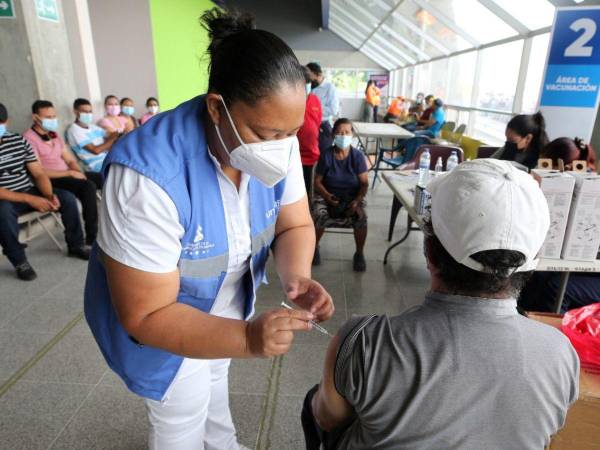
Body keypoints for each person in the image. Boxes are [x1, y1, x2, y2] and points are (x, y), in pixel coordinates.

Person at [84, 8, 334, 450]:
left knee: (214, 385)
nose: (281, 150)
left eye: (290, 133)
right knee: (181, 416)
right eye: (266, 133)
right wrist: (247, 337)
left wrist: (297, 275)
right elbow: (146, 315)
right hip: (166, 322)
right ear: (218, 108)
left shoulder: (275, 139)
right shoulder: (147, 175)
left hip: (227, 305)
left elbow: (294, 221)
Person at [302, 159, 579, 449]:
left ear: (429, 251)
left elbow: (326, 419)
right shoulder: (561, 353)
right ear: (531, 262)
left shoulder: (365, 341)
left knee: (318, 397)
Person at [0, 103, 90, 281]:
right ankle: (19, 261)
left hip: (28, 188)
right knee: (2, 212)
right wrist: (30, 199)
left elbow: (38, 173)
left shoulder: (18, 141)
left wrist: (48, 195)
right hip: (6, 197)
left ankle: (76, 245)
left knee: (66, 197)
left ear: (6, 122)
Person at [23, 100, 102, 246]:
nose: (53, 120)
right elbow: (39, 171)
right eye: (48, 117)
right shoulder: (28, 139)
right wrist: (71, 174)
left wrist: (77, 172)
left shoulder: (54, 135)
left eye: (54, 116)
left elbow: (70, 160)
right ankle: (93, 235)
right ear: (35, 118)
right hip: (51, 178)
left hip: (68, 174)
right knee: (88, 187)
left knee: (101, 178)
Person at [312, 118, 368, 272]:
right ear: (333, 135)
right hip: (328, 194)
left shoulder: (357, 157)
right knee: (319, 214)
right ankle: (314, 247)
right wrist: (327, 196)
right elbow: (317, 182)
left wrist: (356, 201)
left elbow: (364, 184)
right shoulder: (326, 155)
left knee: (361, 217)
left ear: (352, 135)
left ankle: (359, 253)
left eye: (347, 132)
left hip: (352, 196)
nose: (343, 136)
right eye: (339, 132)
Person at [67, 98, 118, 172]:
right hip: (97, 166)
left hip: (108, 158)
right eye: (85, 112)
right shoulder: (74, 130)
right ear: (76, 112)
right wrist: (112, 139)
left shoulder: (92, 126)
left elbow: (112, 134)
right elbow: (96, 150)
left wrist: (112, 138)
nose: (88, 114)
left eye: (90, 112)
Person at [297, 67, 322, 197]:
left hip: (311, 155)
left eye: (308, 82)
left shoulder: (315, 100)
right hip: (294, 155)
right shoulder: (290, 101)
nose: (306, 85)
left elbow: (317, 123)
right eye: (303, 82)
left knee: (308, 189)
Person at [306, 62, 340, 154]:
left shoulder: (330, 88)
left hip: (324, 126)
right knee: (312, 154)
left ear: (317, 74)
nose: (308, 77)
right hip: (312, 125)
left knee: (324, 154)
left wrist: (315, 109)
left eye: (309, 74)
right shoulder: (312, 88)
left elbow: (334, 110)